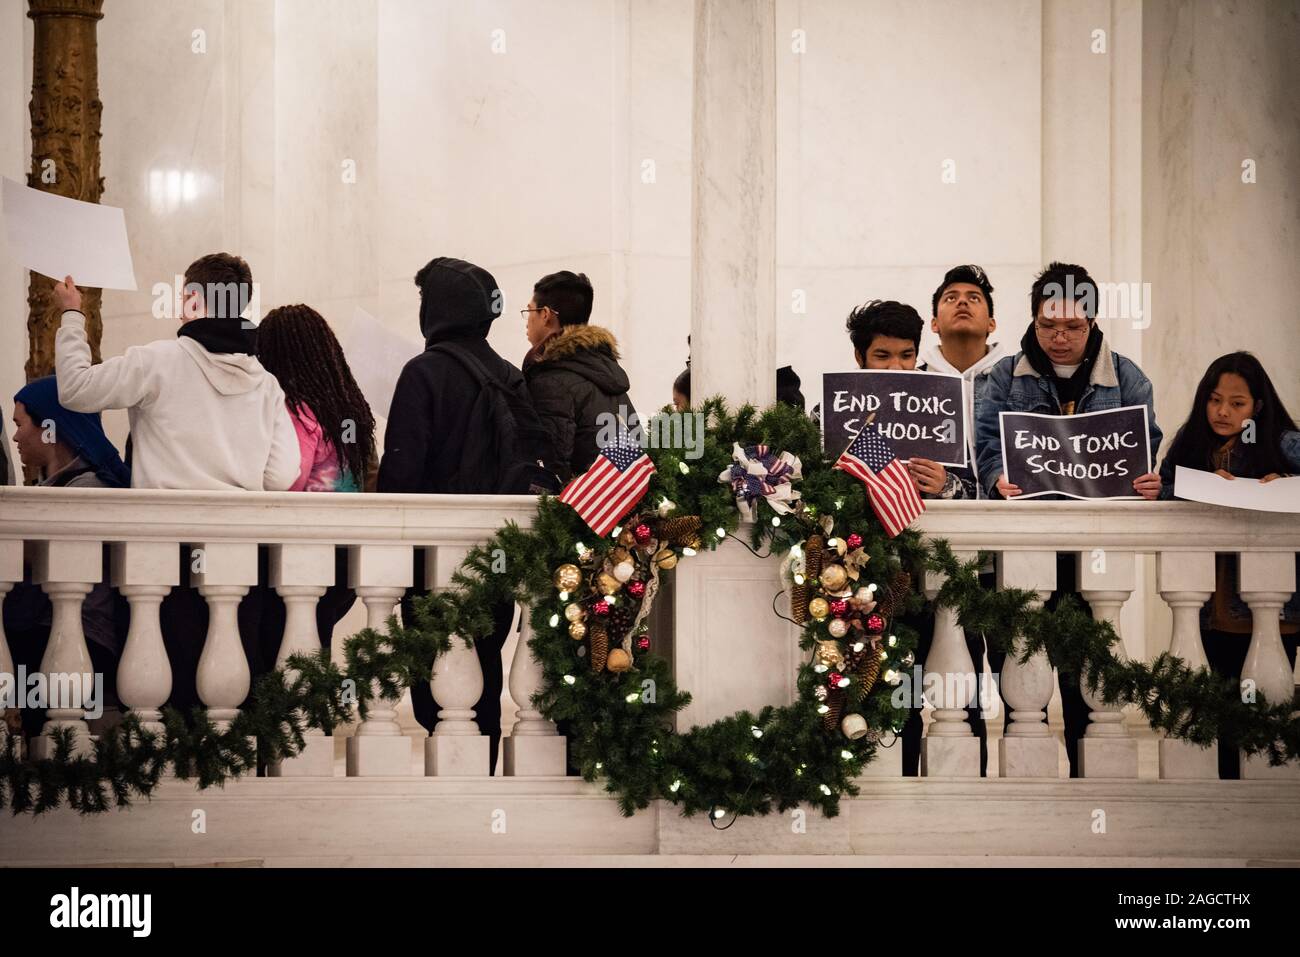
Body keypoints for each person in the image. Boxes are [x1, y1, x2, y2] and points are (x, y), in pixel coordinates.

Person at [974, 261, 1164, 777]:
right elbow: (985, 446)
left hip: (1093, 554)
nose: (1059, 338)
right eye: (1047, 326)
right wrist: (995, 479)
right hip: (1022, 550)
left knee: (1088, 671)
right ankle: (1025, 786)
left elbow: (1143, 448)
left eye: (1073, 327)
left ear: (1094, 321)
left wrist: (1148, 479)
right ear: (1033, 320)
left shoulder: (1126, 377)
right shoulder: (1001, 375)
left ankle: (1090, 782)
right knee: (1018, 673)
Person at [379, 257, 558, 774]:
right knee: (484, 665)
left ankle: (453, 797)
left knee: (437, 681)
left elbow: (401, 475)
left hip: (436, 557)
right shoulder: (507, 374)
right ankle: (482, 788)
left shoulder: (423, 373)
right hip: (498, 555)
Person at [1156, 352, 1300, 777]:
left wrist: (1289, 485)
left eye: (1237, 403)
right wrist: (1180, 490)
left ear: (1257, 406)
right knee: (1214, 708)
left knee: (1262, 708)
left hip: (1268, 603)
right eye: (1215, 400)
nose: (1222, 412)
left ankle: (1263, 806)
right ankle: (1222, 794)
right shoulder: (1191, 442)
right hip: (1207, 603)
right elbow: (1164, 488)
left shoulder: (1283, 442)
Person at [53, 255, 300, 491]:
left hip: (164, 527)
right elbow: (282, 476)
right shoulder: (267, 385)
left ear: (193, 298)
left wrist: (72, 314)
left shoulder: (155, 362)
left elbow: (76, 389)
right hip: (237, 529)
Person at [253, 303, 378, 695]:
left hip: (295, 553)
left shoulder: (293, 410)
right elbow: (371, 479)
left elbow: (287, 481)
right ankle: (311, 742)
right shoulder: (348, 408)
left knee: (275, 662)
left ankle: (283, 749)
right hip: (341, 559)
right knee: (312, 651)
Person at [2, 377, 129, 739]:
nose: (15, 437)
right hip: (53, 631)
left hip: (81, 639)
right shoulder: (58, 487)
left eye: (20, 424)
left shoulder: (87, 491)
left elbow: (31, 567)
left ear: (50, 429)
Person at [522, 270, 636, 482]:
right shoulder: (606, 372)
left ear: (545, 314)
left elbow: (551, 469)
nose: (527, 320)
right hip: (617, 502)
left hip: (579, 510)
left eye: (529, 310)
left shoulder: (552, 381)